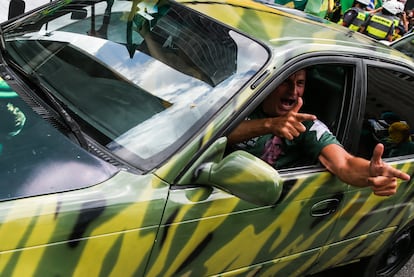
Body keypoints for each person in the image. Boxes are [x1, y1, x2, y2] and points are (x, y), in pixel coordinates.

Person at [228, 69, 411, 197]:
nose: (293, 91)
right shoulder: (241, 101)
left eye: (300, 83)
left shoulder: (307, 126)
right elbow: (212, 133)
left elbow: (345, 163)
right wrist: (269, 125)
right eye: (285, 81)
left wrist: (370, 174)